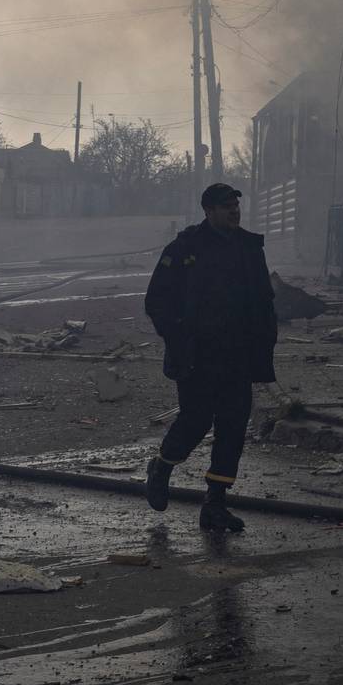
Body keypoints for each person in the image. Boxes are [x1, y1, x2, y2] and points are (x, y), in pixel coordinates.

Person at [142, 182, 277, 532]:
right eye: (226, 206)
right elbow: (157, 300)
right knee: (196, 420)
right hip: (198, 355)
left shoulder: (249, 247)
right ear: (208, 211)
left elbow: (263, 301)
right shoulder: (186, 248)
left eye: (235, 205)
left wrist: (263, 344)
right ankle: (161, 467)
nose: (234, 211)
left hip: (238, 354)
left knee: (232, 428)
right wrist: (178, 336)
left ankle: (215, 504)